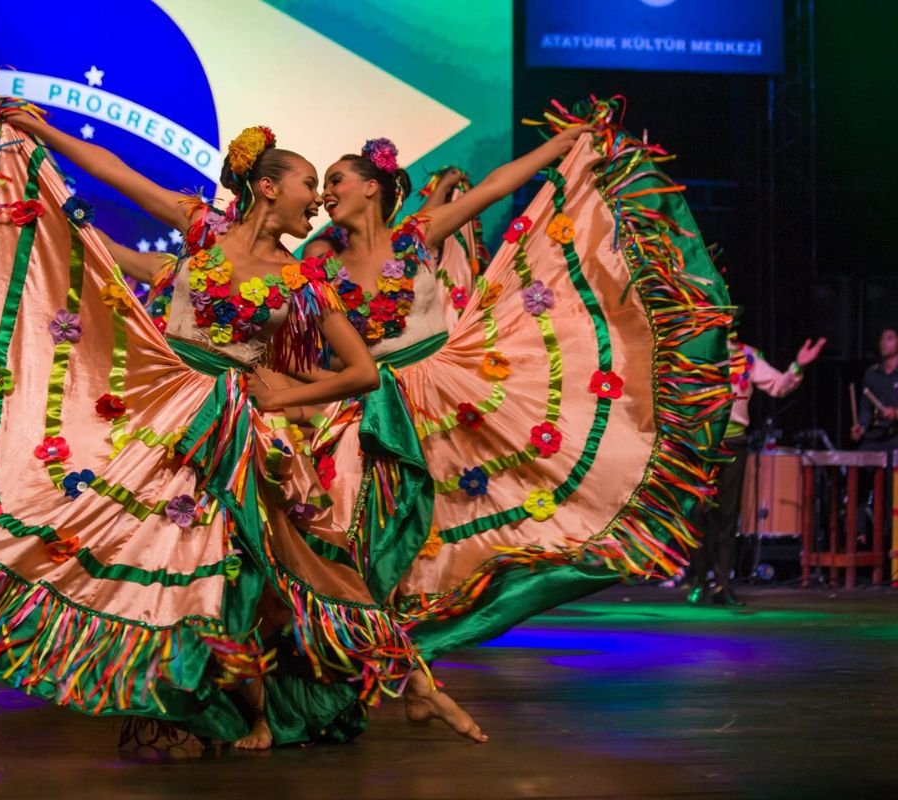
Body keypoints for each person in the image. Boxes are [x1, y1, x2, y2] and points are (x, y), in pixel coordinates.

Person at [0, 98, 434, 752]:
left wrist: (285, 395)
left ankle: (268, 697)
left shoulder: (302, 279)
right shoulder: (202, 230)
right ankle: (176, 697)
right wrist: (41, 131)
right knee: (151, 547)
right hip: (169, 414)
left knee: (247, 561)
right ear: (266, 187)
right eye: (308, 184)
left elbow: (363, 373)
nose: (316, 201)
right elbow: (119, 174)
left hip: (236, 428)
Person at [260, 97, 734, 730]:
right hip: (371, 408)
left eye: (336, 183)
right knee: (360, 541)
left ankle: (407, 673)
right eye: (320, 188)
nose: (325, 197)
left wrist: (561, 145)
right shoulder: (319, 266)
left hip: (446, 398)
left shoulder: (416, 235)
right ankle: (394, 676)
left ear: (372, 189)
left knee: (455, 530)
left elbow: (496, 186)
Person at [688, 333, 826, 606]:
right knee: (697, 513)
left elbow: (777, 385)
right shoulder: (695, 351)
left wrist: (797, 366)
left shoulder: (746, 356)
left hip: (733, 442)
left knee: (727, 515)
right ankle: (699, 581)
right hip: (700, 443)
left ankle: (723, 584)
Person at [850, 328, 898, 452]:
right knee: (859, 459)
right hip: (877, 435)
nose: (883, 343)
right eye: (882, 339)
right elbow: (866, 410)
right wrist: (861, 428)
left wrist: (896, 413)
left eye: (889, 338)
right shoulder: (872, 373)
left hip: (896, 436)